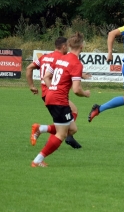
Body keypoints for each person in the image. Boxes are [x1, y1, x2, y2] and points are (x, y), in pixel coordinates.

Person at [31, 32, 90, 167]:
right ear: (82, 46)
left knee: (72, 128)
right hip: (59, 100)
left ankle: (41, 128)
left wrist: (53, 88)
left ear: (69, 45)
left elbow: (46, 76)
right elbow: (76, 90)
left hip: (50, 96)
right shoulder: (76, 63)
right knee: (61, 134)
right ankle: (37, 161)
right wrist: (85, 93)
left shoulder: (60, 59)